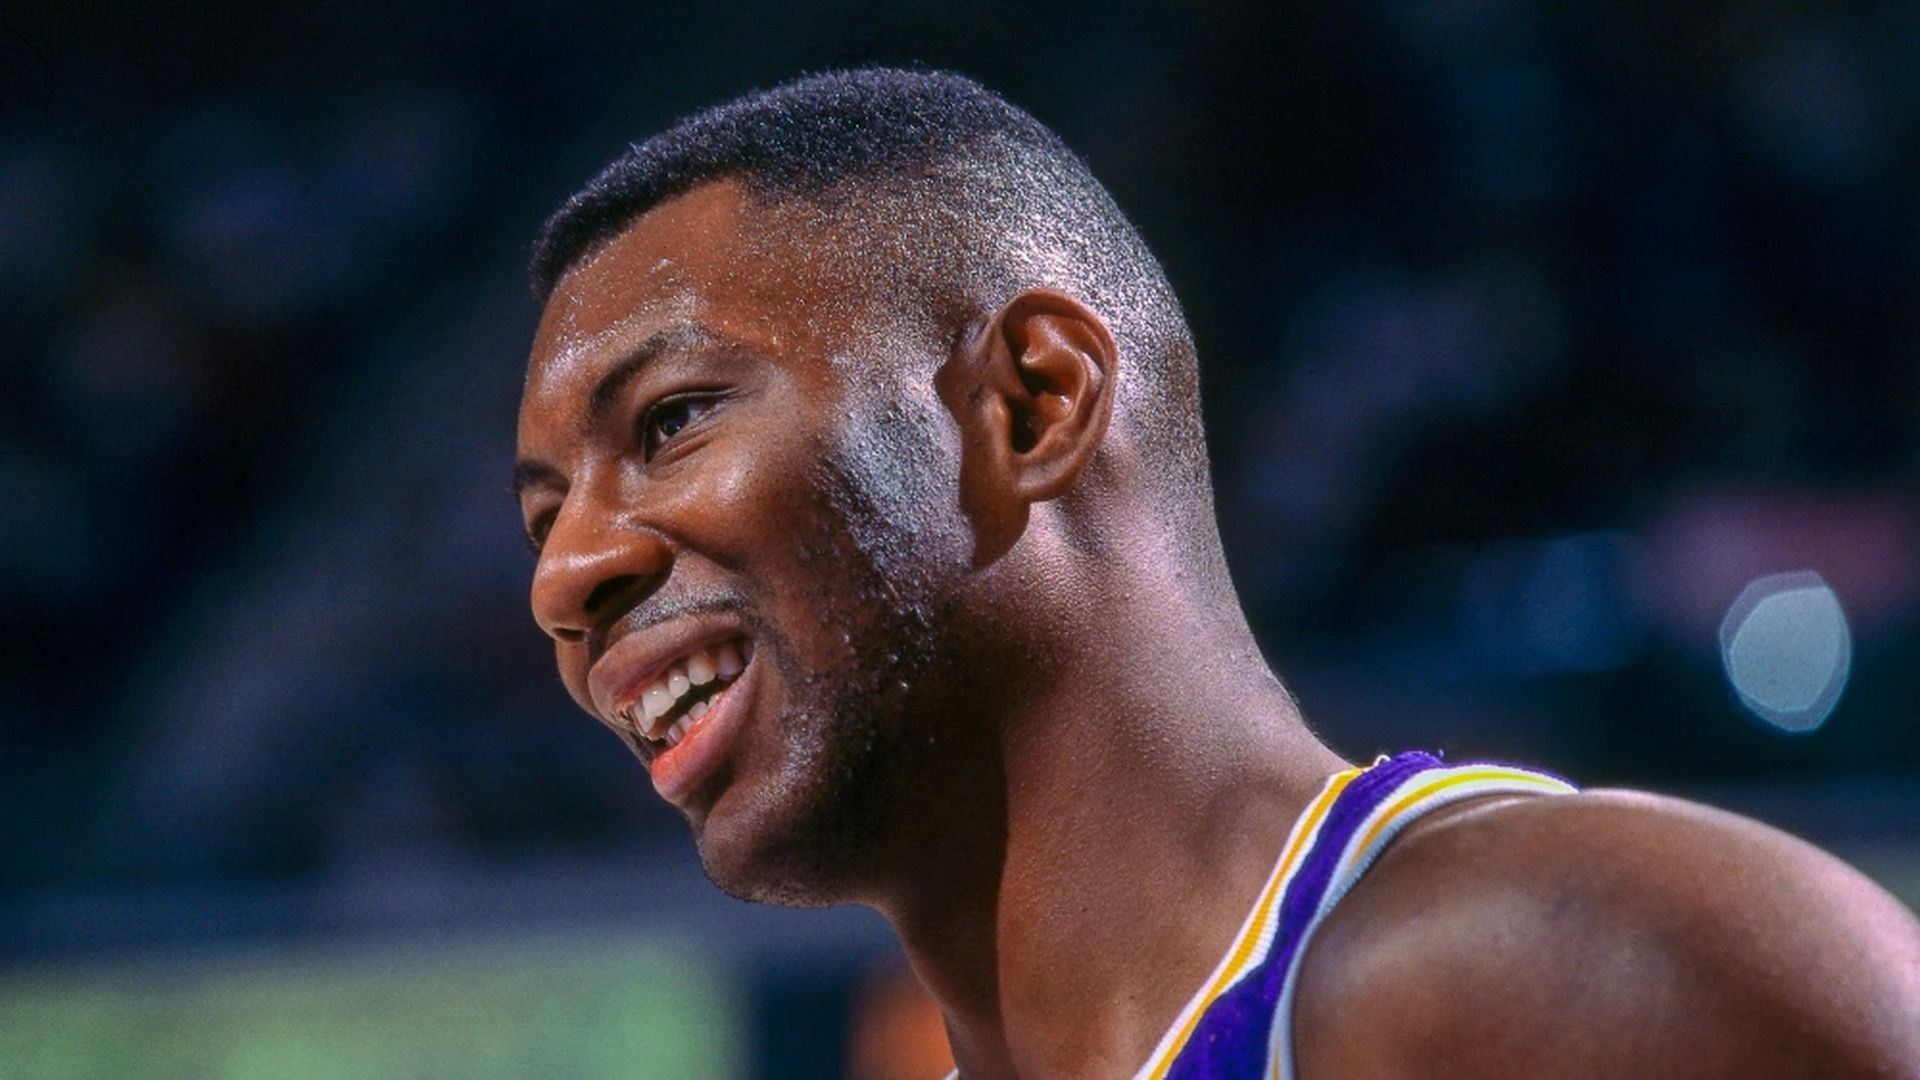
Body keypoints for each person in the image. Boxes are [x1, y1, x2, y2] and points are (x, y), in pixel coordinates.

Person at [512, 68, 1920, 1078]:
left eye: (671, 421)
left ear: (1030, 402)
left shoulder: (1565, 966)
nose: (566, 576)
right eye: (544, 514)